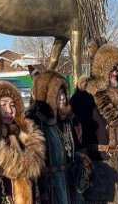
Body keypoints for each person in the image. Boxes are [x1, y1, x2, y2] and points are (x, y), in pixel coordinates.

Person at [70, 40, 118, 203]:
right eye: (111, 68)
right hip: (98, 165)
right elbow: (74, 131)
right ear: (101, 68)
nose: (115, 72)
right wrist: (83, 162)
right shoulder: (85, 96)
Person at [26, 70, 89, 203]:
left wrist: (82, 161)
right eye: (57, 94)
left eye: (64, 93)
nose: (63, 98)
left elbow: (74, 149)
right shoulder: (35, 121)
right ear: (47, 95)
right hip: (50, 186)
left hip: (71, 184)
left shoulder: (68, 119)